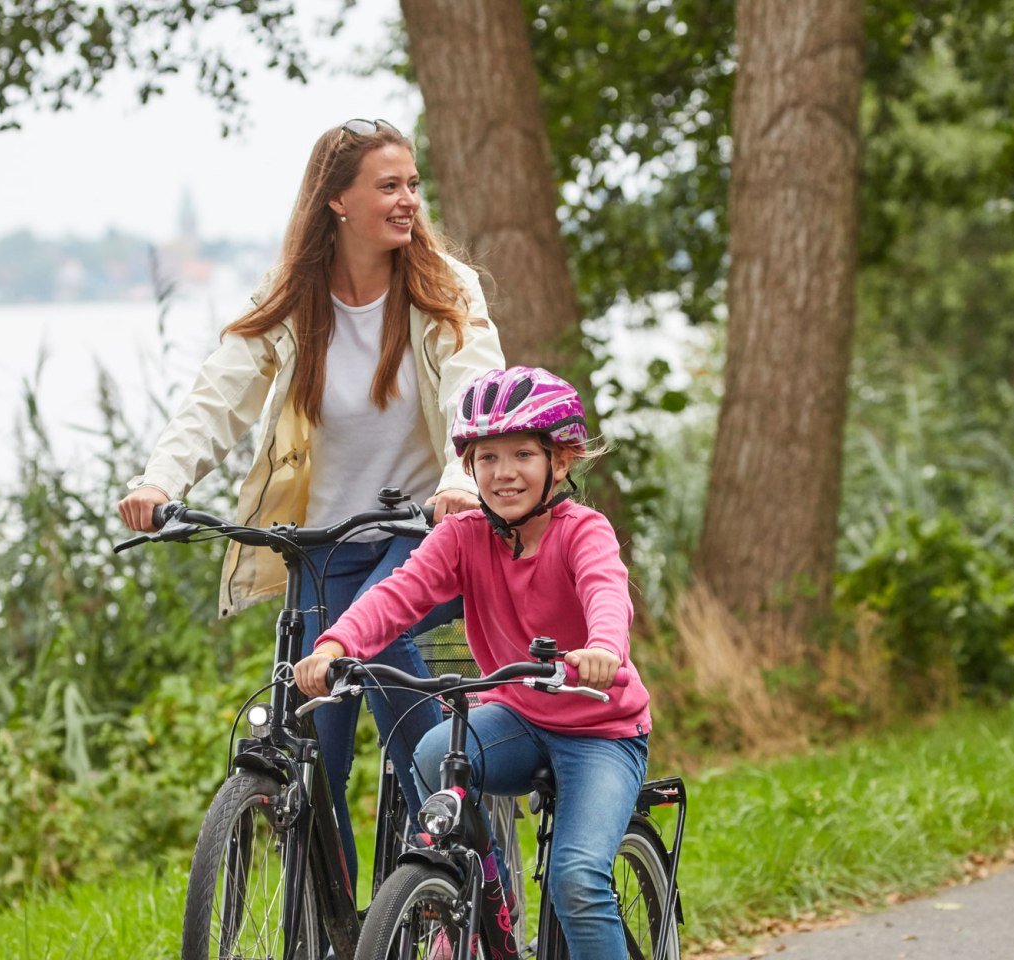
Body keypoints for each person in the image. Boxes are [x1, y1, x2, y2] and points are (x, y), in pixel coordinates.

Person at [117, 118, 505, 881]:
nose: (408, 201)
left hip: (423, 530)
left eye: (413, 186)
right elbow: (219, 396)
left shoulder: (445, 289)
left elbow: (474, 390)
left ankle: (462, 853)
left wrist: (462, 482)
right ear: (337, 201)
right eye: (388, 186)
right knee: (313, 749)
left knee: (379, 634)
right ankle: (333, 926)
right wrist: (160, 479)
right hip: (323, 544)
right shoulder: (293, 297)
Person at [294, 366, 652, 960]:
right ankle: (474, 894)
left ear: (558, 463)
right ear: (469, 465)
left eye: (521, 455)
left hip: (599, 729)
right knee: (435, 752)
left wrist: (603, 652)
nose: (503, 472)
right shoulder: (463, 536)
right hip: (517, 717)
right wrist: (336, 645)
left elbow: (606, 594)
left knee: (576, 879)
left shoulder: (583, 530)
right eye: (487, 458)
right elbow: (397, 594)